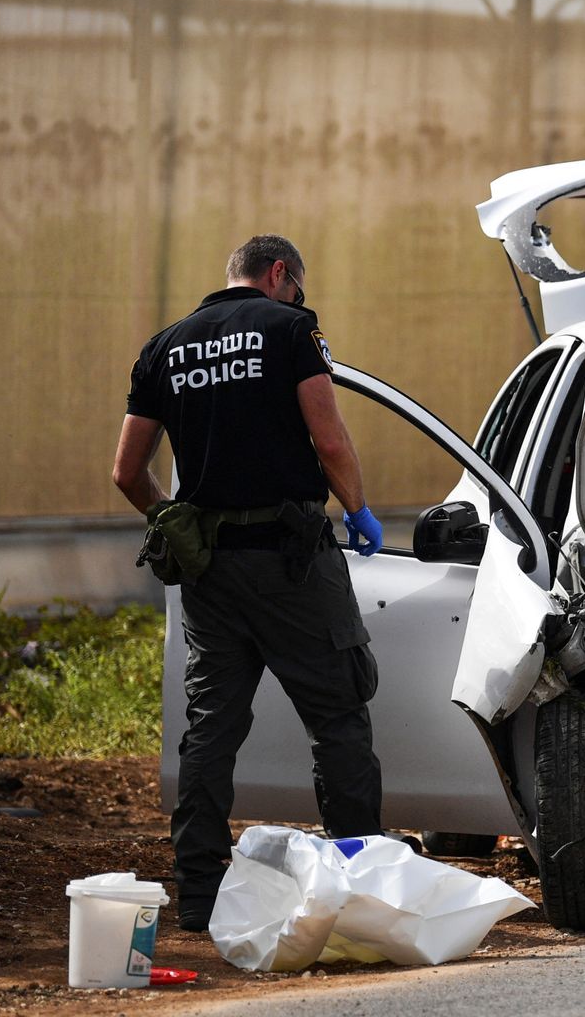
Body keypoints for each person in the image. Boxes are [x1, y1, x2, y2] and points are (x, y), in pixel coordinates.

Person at [112, 234, 386, 932]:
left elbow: (125, 470)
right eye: (296, 287)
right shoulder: (290, 328)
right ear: (278, 274)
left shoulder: (164, 347)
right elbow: (328, 440)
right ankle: (359, 878)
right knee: (338, 717)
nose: (298, 299)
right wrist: (356, 509)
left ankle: (199, 893)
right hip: (292, 559)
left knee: (211, 730)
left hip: (209, 571)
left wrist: (171, 522)